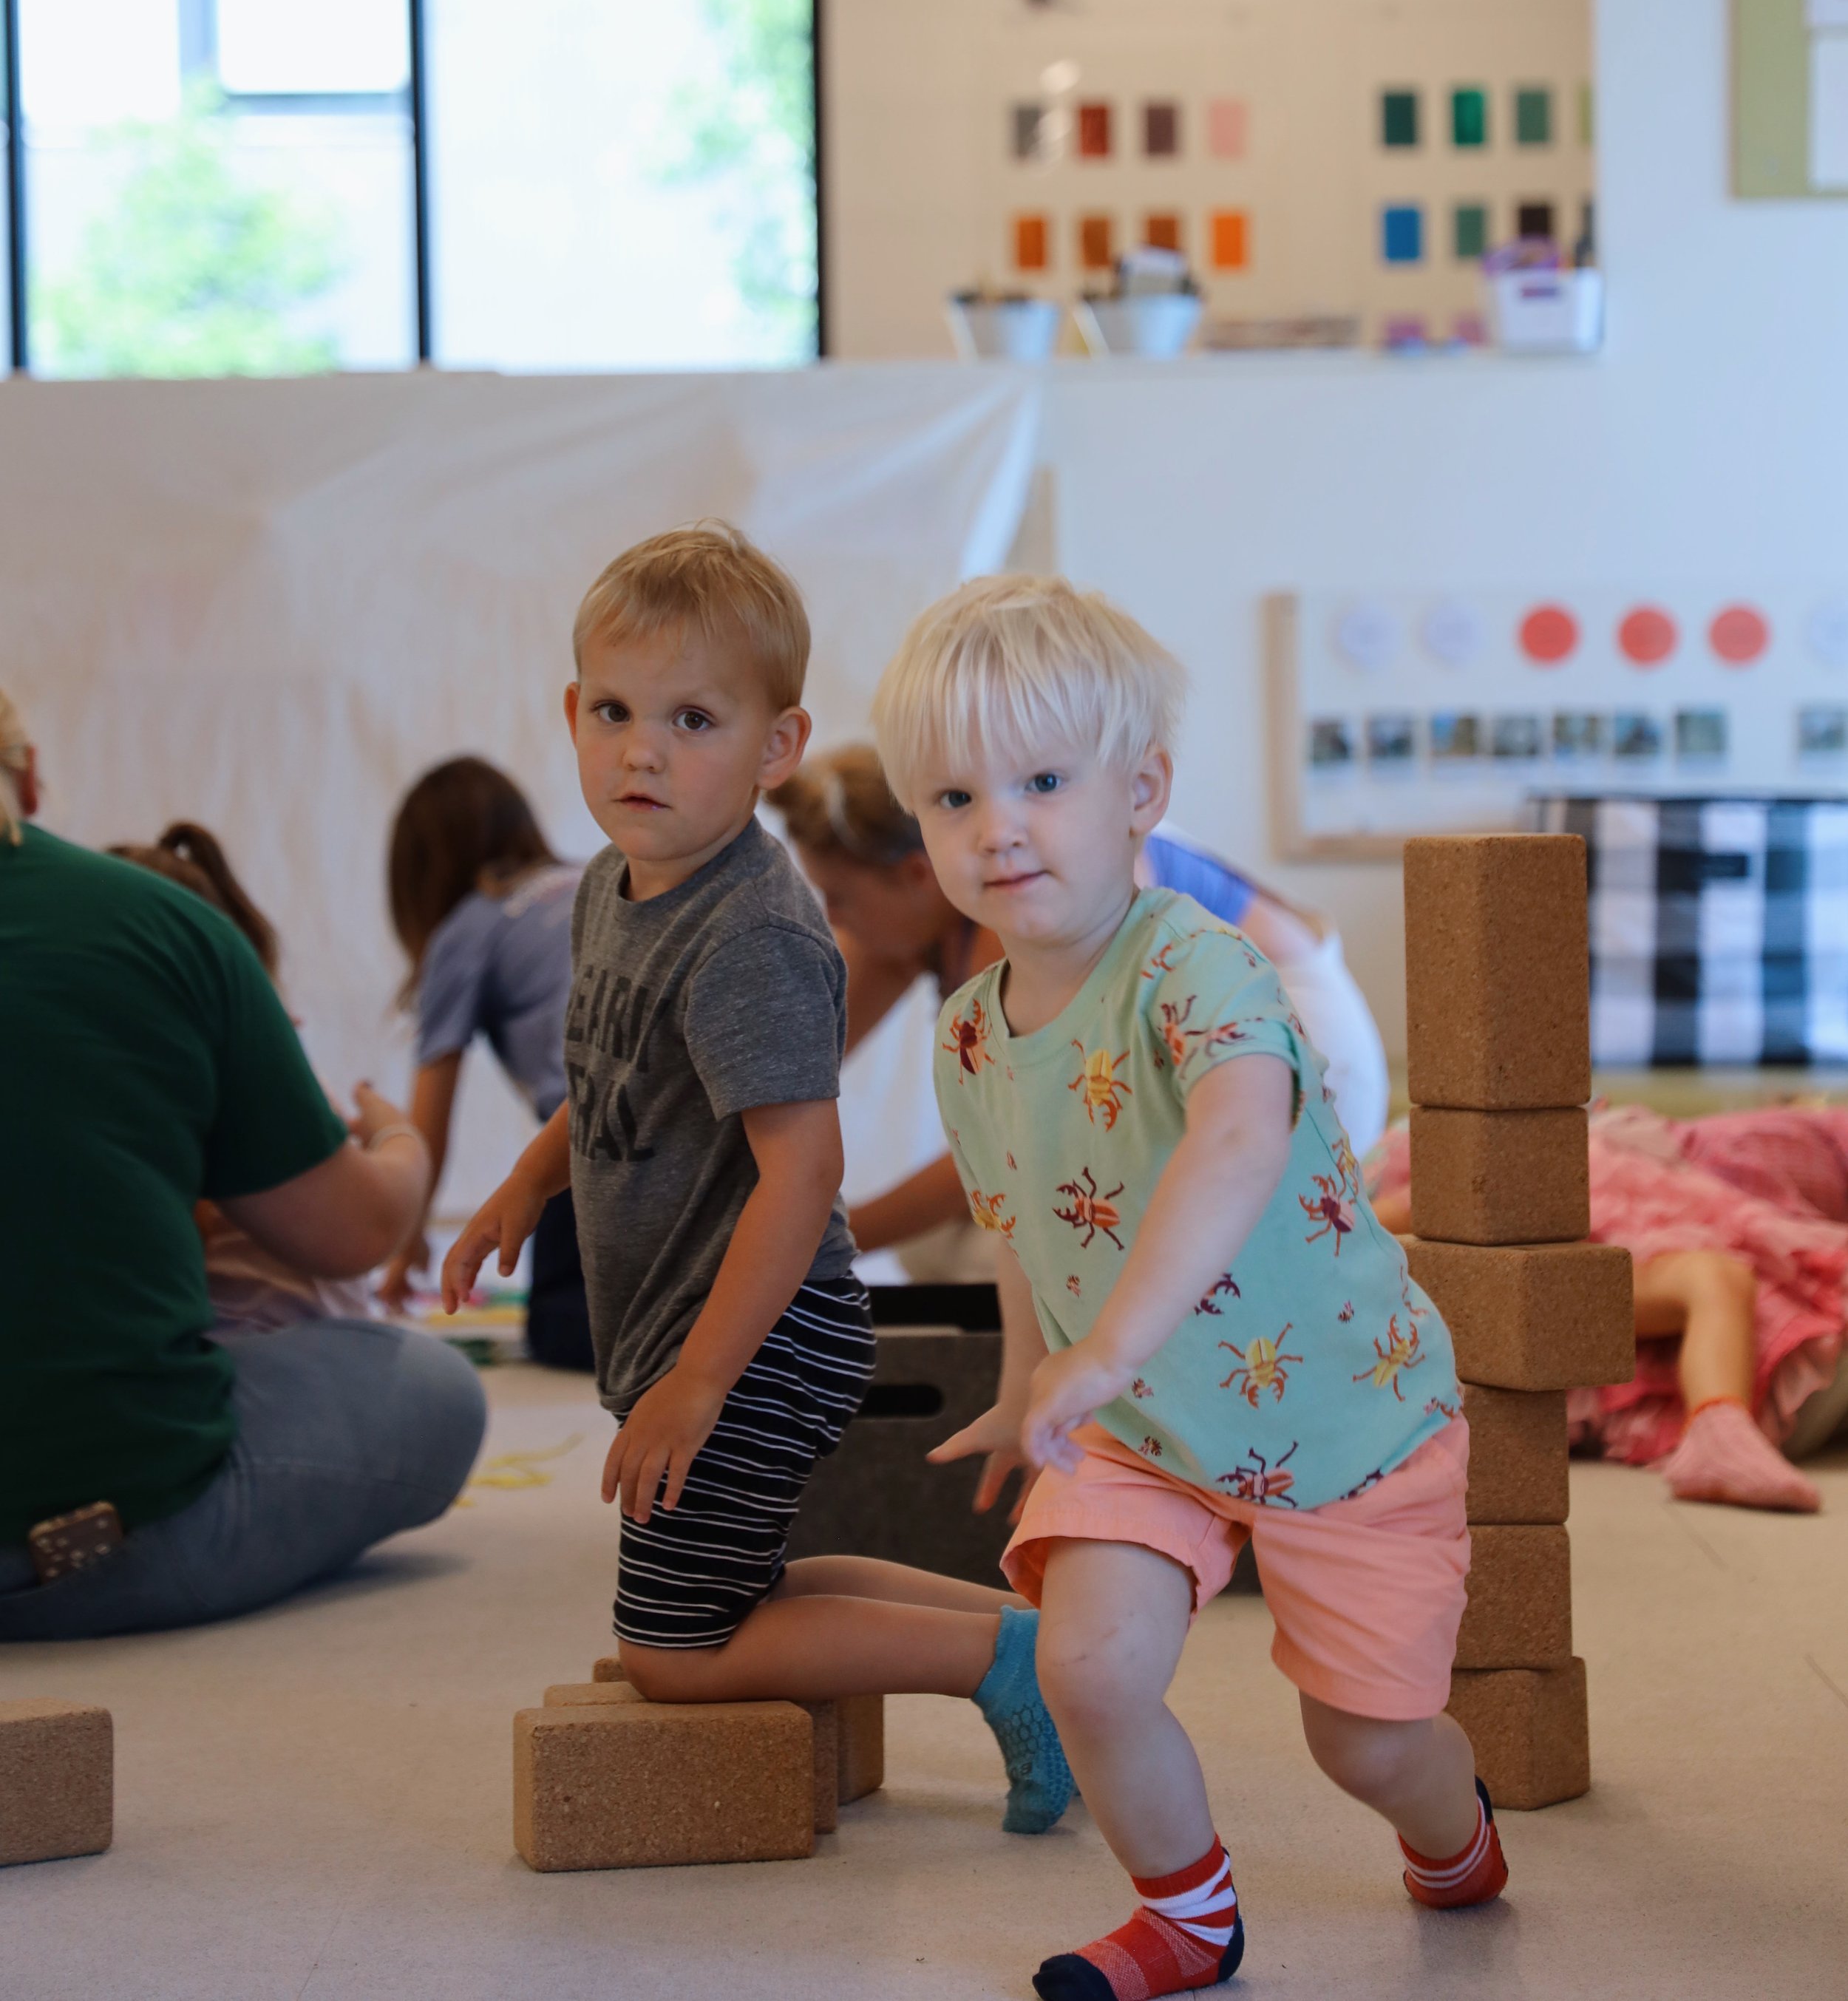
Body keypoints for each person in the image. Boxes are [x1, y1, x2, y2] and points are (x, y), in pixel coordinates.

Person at [869, 576, 1504, 2001]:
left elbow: (1233, 1143)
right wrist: (1032, 1378)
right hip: (1142, 1423)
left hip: (1344, 1413)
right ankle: (1188, 1916)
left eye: (1041, 781)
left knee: (1368, 1744)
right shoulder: (970, 1037)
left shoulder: (1199, 966)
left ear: (1141, 789)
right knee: (1087, 1670)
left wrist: (1102, 1353)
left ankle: (1457, 1835)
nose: (998, 828)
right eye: (954, 798)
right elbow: (1022, 1221)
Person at [441, 523, 1075, 1832]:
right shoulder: (616, 885)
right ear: (570, 714)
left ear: (775, 746)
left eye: (691, 719)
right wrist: (526, 1180)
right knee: (742, 1586)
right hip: (693, 1324)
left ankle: (999, 1666)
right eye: (613, 711)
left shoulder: (751, 934)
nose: (642, 751)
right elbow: (615, 1078)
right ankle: (1041, 1639)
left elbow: (804, 1174)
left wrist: (700, 1382)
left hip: (757, 1331)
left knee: (678, 1651)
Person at [0, 685, 487, 1641]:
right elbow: (353, 1232)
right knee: (438, 1391)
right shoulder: (162, 931)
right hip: (116, 1521)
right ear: (30, 775)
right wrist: (404, 1143)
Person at [773, 744, 1388, 1279]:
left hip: (1302, 1062)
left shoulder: (1020, 895)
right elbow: (790, 1067)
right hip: (1195, 1064)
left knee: (1018, 1248)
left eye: (839, 899)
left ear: (914, 874)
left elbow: (1004, 1146)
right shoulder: (920, 909)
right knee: (936, 1250)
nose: (833, 921)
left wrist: (817, 1247)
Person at [1371, 1103, 1848, 1511]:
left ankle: (1719, 1434)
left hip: (1545, 1246)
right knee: (1714, 1279)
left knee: (1716, 1278)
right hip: (1508, 1256)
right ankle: (1718, 1436)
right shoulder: (1438, 1184)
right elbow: (1381, 1222)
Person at [108, 821, 376, 1335]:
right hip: (309, 1330)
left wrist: (399, 1141)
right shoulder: (265, 1040)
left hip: (253, 1336)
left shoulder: (206, 1064)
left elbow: (176, 1236)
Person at [383, 758, 590, 1368]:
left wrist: (407, 1237)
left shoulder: (468, 928)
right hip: (701, 1116)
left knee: (561, 1325)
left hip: (588, 1142)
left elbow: (428, 1122)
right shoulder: (590, 879)